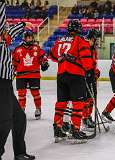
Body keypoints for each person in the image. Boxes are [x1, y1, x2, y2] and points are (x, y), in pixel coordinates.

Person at [0, 1, 35, 159]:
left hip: (6, 82)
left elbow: (8, 34)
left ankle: (20, 153)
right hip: (0, 81)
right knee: (5, 121)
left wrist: (21, 24)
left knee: (19, 118)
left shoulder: (3, 38)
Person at [50, 20, 93, 142]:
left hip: (61, 74)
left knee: (61, 103)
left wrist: (62, 59)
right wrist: (89, 71)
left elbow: (53, 55)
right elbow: (86, 58)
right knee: (78, 103)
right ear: (79, 29)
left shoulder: (60, 40)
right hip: (75, 75)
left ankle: (58, 130)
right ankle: (75, 130)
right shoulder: (80, 40)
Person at [12, 30, 49, 120]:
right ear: (24, 38)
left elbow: (43, 58)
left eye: (31, 37)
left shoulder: (37, 48)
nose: (29, 39)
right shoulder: (18, 49)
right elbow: (14, 63)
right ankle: (22, 110)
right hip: (21, 75)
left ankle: (38, 109)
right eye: (28, 37)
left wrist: (44, 63)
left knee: (35, 93)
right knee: (21, 94)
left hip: (34, 74)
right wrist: (13, 71)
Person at [81, 29, 101, 131]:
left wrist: (95, 71)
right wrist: (87, 72)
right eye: (96, 38)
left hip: (91, 75)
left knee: (91, 99)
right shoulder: (85, 46)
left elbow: (93, 62)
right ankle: (84, 118)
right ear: (92, 37)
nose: (98, 41)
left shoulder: (93, 48)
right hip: (84, 76)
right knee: (86, 99)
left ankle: (88, 116)